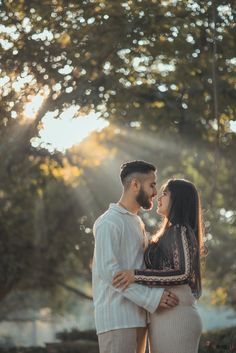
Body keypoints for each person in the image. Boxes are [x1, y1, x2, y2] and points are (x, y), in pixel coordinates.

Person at [92, 161, 179, 353]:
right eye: (152, 184)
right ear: (135, 185)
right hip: (117, 320)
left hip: (140, 317)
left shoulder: (136, 222)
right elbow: (110, 273)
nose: (155, 192)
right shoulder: (109, 222)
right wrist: (152, 298)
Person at [113, 178, 204, 353]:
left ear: (178, 199)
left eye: (165, 193)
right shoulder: (171, 232)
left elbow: (183, 273)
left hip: (176, 316)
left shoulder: (180, 230)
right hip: (164, 316)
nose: (158, 197)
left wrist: (135, 275)